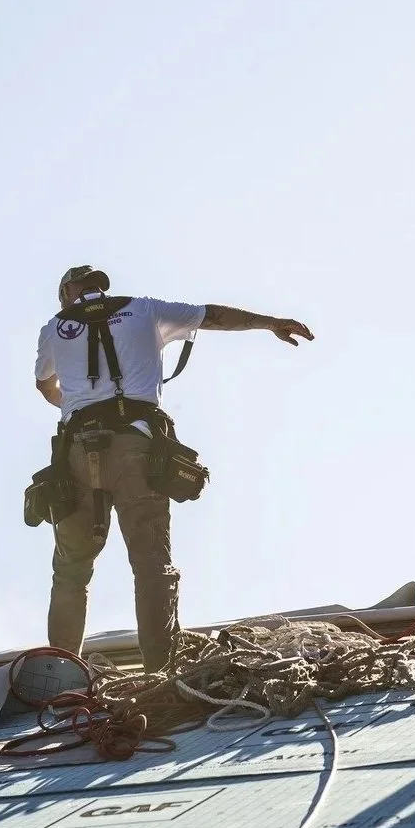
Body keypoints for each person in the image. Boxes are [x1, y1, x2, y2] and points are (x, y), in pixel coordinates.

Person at [34, 265, 314, 672]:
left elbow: (45, 384)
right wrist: (270, 322)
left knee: (71, 570)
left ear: (67, 292)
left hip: (77, 451)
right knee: (151, 565)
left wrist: (78, 404)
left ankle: (60, 677)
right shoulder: (143, 309)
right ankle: (160, 675)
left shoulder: (55, 327)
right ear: (99, 288)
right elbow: (211, 315)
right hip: (135, 446)